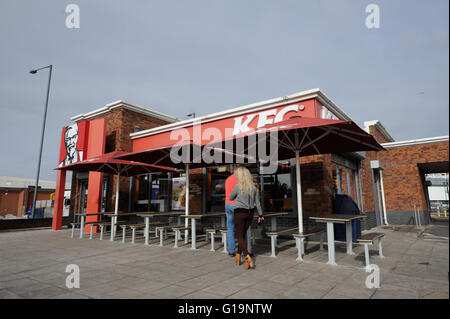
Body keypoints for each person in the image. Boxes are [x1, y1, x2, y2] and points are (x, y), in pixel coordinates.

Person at [229, 167, 264, 270]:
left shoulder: (237, 186)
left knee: (239, 235)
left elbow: (231, 197)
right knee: (242, 235)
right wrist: (261, 215)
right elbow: (257, 202)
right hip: (250, 213)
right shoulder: (253, 187)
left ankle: (247, 257)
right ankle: (238, 255)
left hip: (239, 212)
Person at [225, 167, 238, 257]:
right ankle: (243, 250)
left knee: (230, 228)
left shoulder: (228, 179)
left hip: (227, 204)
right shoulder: (240, 179)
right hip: (237, 204)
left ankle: (231, 251)